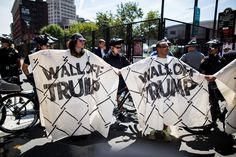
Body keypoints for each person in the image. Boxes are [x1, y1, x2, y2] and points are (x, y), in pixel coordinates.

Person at [103, 37, 130, 122]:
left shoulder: (122, 57)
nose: (119, 49)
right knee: (113, 99)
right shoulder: (106, 58)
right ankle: (117, 109)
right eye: (117, 47)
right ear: (112, 47)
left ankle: (119, 108)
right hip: (111, 83)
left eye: (120, 47)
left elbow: (129, 66)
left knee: (118, 97)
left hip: (121, 82)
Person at [199, 39, 226, 125]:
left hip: (220, 84)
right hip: (209, 84)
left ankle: (220, 116)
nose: (210, 48)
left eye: (213, 47)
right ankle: (214, 120)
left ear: (217, 49)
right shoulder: (205, 59)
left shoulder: (221, 59)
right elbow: (201, 72)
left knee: (227, 101)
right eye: (209, 47)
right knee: (214, 102)